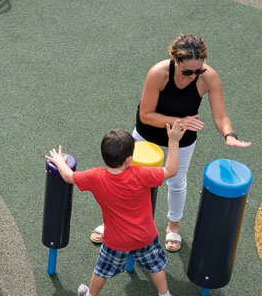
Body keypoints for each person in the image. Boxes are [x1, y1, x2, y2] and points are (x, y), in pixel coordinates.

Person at [91, 34, 251, 253]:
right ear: (176, 61)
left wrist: (228, 134)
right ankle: (112, 223)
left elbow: (221, 115)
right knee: (127, 179)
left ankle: (172, 226)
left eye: (199, 71)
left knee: (176, 181)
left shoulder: (208, 77)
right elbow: (146, 114)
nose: (193, 76)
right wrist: (179, 121)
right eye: (187, 72)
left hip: (182, 140)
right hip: (148, 135)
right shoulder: (159, 73)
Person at [47, 121, 186, 296]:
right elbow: (171, 171)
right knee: (155, 266)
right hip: (146, 235)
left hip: (116, 241)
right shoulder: (140, 174)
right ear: (129, 160)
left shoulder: (95, 176)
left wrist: (60, 161)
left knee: (101, 270)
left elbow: (68, 176)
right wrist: (173, 141)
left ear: (104, 156)